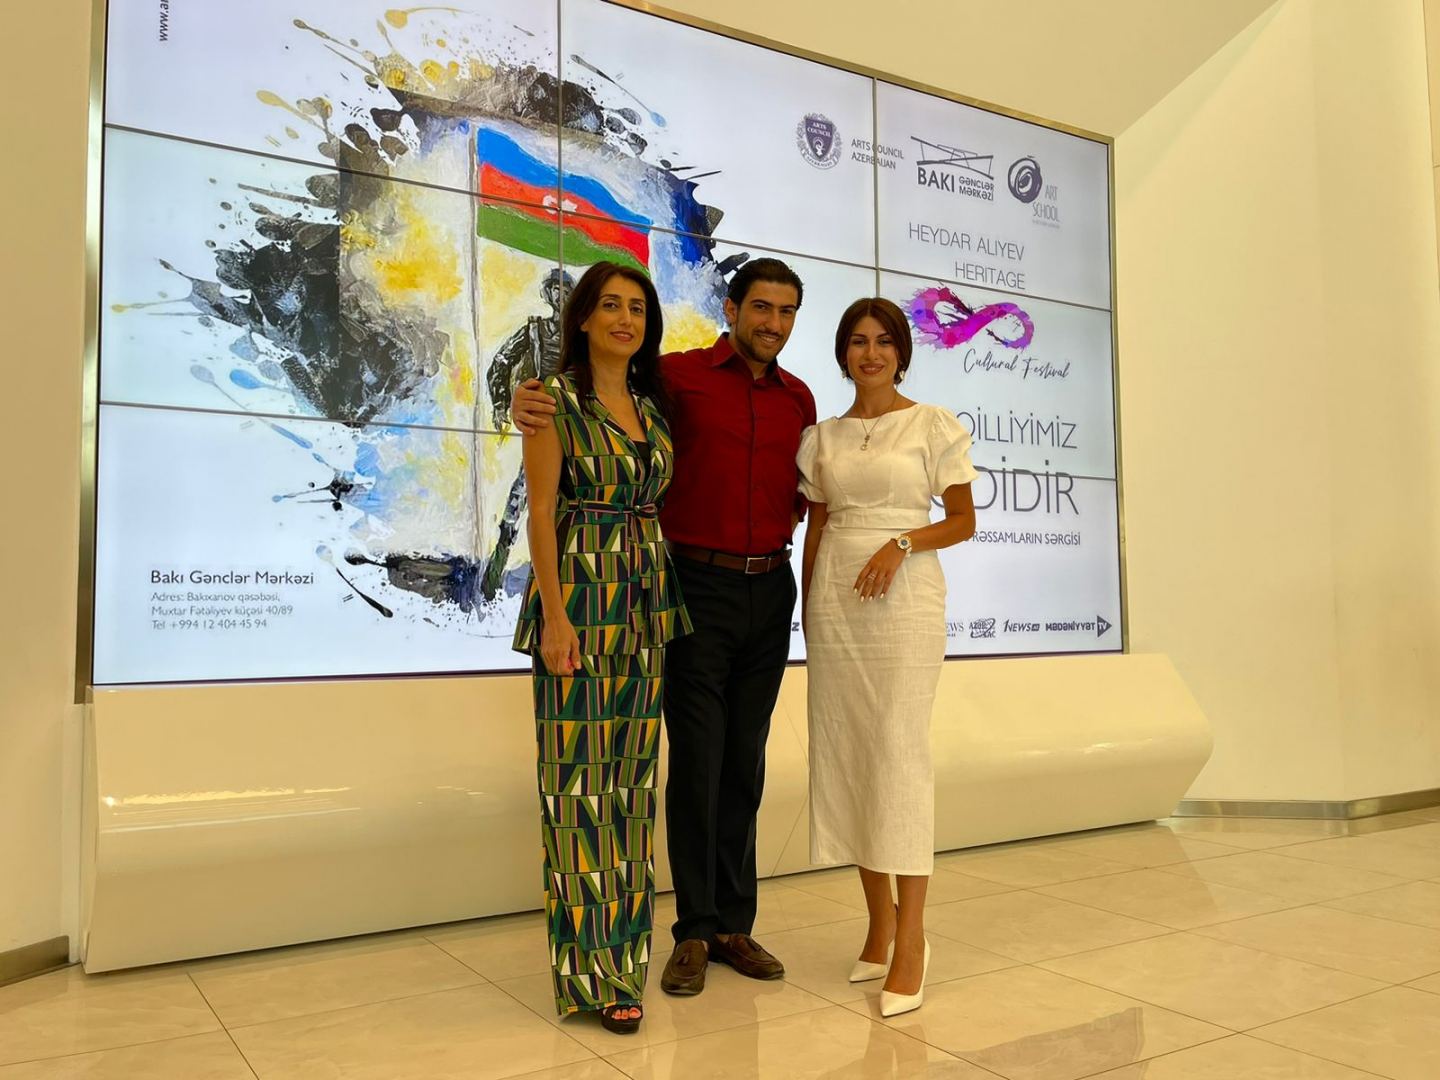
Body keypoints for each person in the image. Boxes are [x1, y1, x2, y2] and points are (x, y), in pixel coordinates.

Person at [511, 258, 815, 996]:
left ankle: (735, 923)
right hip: (690, 586)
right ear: (732, 309)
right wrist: (524, 400)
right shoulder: (674, 379)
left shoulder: (799, 398)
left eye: (786, 311)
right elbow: (578, 409)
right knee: (696, 762)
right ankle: (694, 929)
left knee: (744, 761)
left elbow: (804, 493)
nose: (772, 322)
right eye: (761, 307)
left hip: (768, 587)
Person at [511, 261, 691, 1035]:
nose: (625, 318)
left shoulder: (650, 407)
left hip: (643, 610)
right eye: (610, 305)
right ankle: (591, 978)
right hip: (580, 607)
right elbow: (541, 514)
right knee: (578, 796)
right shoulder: (552, 401)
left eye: (637, 308)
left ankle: (624, 962)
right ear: (582, 317)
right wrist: (555, 618)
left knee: (630, 793)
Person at [797, 297, 977, 1018]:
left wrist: (901, 543)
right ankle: (878, 924)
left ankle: (913, 937)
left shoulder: (932, 424)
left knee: (898, 754)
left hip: (905, 599)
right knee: (850, 753)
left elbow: (961, 521)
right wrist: (808, 608)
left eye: (883, 341)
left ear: (901, 351)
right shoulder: (822, 437)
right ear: (843, 352)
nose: (870, 353)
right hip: (836, 603)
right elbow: (816, 527)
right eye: (857, 341)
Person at [481, 267, 574, 602]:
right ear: (547, 294)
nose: (559, 296)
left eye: (565, 290)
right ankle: (495, 572)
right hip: (544, 430)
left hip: (580, 431)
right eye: (554, 289)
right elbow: (500, 362)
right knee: (520, 499)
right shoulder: (535, 330)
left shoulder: (585, 336)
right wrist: (501, 403)